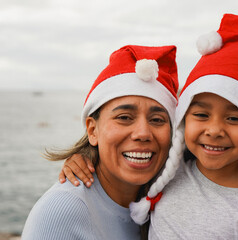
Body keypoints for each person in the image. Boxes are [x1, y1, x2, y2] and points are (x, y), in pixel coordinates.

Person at [60, 14, 238, 239]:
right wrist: (84, 157)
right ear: (183, 121)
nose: (215, 130)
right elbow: (126, 164)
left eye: (234, 118)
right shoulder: (167, 174)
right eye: (201, 115)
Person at [21, 45, 179, 240]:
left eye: (157, 120)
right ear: (92, 130)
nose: (143, 133)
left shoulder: (168, 200)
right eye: (124, 117)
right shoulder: (63, 210)